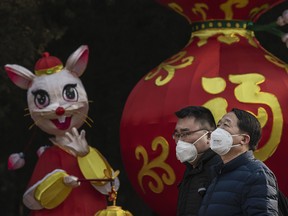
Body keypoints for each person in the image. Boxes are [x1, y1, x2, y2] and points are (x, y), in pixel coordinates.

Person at [198, 108, 279, 215]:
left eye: (226, 125)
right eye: (218, 125)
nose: (217, 131)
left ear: (244, 139)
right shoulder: (218, 174)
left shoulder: (257, 174)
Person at [173, 106, 221, 216]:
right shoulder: (191, 170)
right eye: (177, 134)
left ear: (209, 136)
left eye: (186, 134)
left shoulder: (221, 169)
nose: (180, 141)